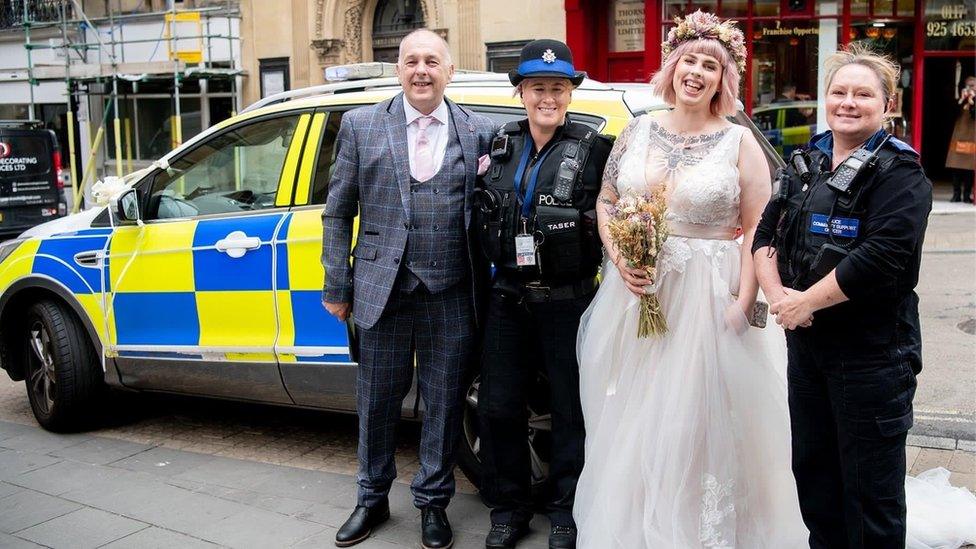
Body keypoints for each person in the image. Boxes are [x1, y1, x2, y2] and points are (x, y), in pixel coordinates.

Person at [573, 11, 808, 547]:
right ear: (671, 68)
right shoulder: (637, 130)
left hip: (711, 294)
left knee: (703, 419)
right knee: (637, 411)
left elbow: (757, 230)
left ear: (724, 80)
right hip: (639, 293)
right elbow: (607, 202)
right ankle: (640, 523)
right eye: (688, 61)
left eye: (710, 65)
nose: (696, 72)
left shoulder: (739, 142)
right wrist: (621, 258)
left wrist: (743, 302)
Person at [753, 44, 943, 548]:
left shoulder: (901, 174)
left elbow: (881, 256)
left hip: (872, 356)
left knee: (870, 495)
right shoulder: (806, 159)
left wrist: (805, 302)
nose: (848, 102)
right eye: (839, 92)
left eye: (863, 94)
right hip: (807, 349)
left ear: (888, 105)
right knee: (815, 480)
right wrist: (780, 300)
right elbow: (766, 234)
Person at [321, 28, 495, 549]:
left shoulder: (479, 130)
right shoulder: (360, 124)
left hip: (452, 290)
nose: (422, 70)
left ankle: (433, 503)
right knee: (376, 401)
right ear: (398, 69)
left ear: (450, 71)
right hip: (382, 289)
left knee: (444, 403)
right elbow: (338, 211)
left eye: (433, 61)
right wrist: (337, 284)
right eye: (412, 61)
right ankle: (371, 499)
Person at [473, 39, 613, 549]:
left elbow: (616, 218)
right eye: (537, 88)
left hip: (568, 301)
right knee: (498, 407)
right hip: (507, 298)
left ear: (570, 93)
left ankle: (566, 510)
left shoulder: (598, 148)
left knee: (571, 409)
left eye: (557, 87)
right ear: (521, 92)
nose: (547, 97)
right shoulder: (498, 146)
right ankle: (509, 509)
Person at [947, 74, 975, 203]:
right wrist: (961, 100)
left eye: (973, 85)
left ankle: (967, 194)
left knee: (969, 168)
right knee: (956, 166)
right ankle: (956, 194)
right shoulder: (961, 100)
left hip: (971, 138)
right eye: (968, 85)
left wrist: (972, 102)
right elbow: (951, 115)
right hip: (958, 137)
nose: (970, 88)